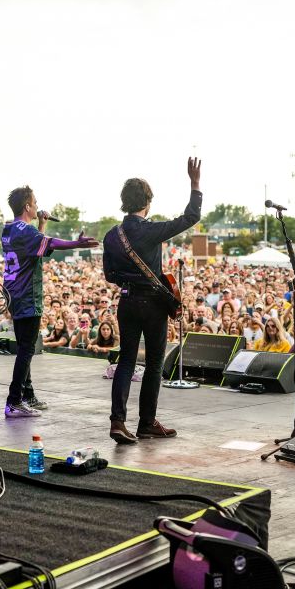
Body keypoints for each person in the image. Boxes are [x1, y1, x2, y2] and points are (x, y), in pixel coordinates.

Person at [102, 158, 202, 444]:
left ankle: (118, 422)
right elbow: (189, 218)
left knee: (126, 362)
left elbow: (110, 274)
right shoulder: (151, 230)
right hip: (153, 304)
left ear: (124, 202)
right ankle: (146, 422)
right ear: (148, 202)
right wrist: (194, 183)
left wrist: (128, 281)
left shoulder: (112, 236)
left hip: (127, 302)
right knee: (155, 363)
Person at [0, 186, 98, 418]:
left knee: (26, 346)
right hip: (27, 295)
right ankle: (14, 401)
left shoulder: (9, 229)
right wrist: (78, 244)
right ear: (27, 206)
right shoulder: (27, 232)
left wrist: (42, 224)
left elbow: (37, 247)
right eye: (34, 202)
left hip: (13, 294)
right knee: (26, 349)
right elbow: (51, 243)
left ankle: (27, 395)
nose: (37, 206)